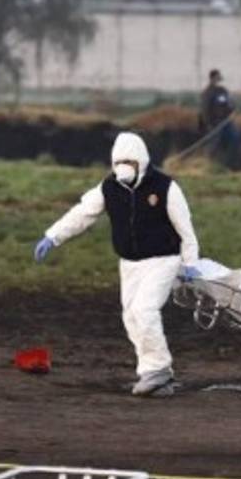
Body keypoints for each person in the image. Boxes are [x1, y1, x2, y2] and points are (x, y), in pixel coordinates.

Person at [34, 131, 201, 397]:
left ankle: (158, 369)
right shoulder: (108, 188)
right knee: (131, 316)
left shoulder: (165, 187)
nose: (123, 168)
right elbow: (82, 214)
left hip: (163, 260)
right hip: (130, 264)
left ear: (141, 161)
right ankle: (151, 372)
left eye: (129, 162)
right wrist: (53, 236)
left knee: (145, 310)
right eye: (119, 163)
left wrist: (190, 262)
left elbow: (185, 228)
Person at [198, 68, 241, 166]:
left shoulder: (222, 90)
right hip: (214, 123)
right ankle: (209, 164)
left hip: (226, 121)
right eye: (217, 77)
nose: (219, 79)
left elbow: (229, 103)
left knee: (235, 137)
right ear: (212, 78)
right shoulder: (207, 93)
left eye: (219, 77)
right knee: (214, 144)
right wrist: (209, 124)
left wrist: (233, 109)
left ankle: (229, 163)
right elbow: (205, 110)